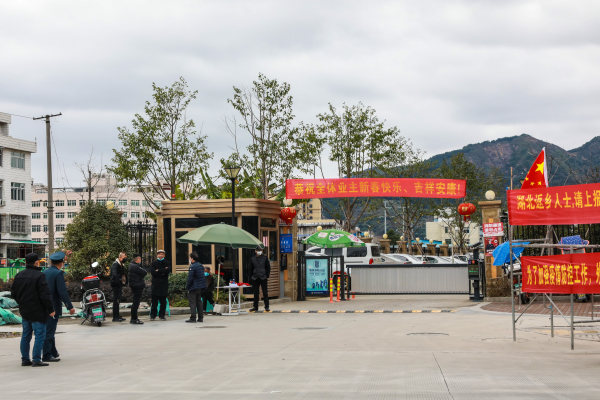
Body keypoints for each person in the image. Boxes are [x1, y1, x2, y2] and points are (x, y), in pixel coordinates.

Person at [11, 253, 55, 367]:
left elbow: (13, 293)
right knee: (39, 335)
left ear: (26, 262)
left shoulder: (19, 275)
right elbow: (45, 295)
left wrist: (22, 302)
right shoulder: (40, 276)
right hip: (38, 311)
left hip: (25, 310)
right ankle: (36, 359)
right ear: (36, 262)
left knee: (26, 335)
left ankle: (25, 359)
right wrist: (50, 309)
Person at [43, 251, 76, 362]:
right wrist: (70, 306)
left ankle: (53, 352)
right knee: (50, 331)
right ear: (61, 263)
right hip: (53, 307)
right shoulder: (58, 274)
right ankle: (46, 355)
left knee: (49, 329)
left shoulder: (45, 272)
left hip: (44, 305)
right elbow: (62, 292)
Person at [150, 250, 171, 320]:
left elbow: (167, 271)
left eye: (162, 254)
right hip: (155, 285)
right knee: (154, 302)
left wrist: (158, 270)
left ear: (164, 255)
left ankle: (162, 315)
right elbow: (153, 272)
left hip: (163, 284)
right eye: (159, 254)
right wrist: (163, 270)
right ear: (157, 255)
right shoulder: (154, 263)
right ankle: (153, 315)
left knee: (163, 302)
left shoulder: (167, 262)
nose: (161, 255)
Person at [248, 246, 271, 312]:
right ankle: (255, 307)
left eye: (260, 250)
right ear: (255, 251)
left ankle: (267, 306)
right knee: (255, 293)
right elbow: (250, 269)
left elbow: (268, 267)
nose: (259, 252)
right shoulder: (253, 259)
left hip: (263, 277)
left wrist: (267, 275)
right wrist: (251, 277)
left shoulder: (265, 258)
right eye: (258, 250)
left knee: (265, 292)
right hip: (255, 277)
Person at [186, 252, 206, 323]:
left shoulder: (192, 266)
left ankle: (193, 318)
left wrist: (187, 286)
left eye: (190, 258)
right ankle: (200, 318)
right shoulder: (201, 265)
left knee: (192, 303)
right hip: (200, 287)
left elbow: (190, 278)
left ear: (192, 258)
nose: (189, 259)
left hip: (193, 287)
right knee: (199, 302)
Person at [128, 254, 147, 325]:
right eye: (140, 259)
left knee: (135, 302)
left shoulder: (132, 265)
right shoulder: (135, 266)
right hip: (137, 286)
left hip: (135, 285)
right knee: (136, 303)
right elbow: (144, 272)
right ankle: (134, 319)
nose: (140, 260)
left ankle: (134, 318)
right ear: (137, 259)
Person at [110, 252, 127, 322]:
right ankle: (115, 317)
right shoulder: (115, 264)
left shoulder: (120, 264)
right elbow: (114, 275)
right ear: (120, 257)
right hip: (116, 285)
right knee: (116, 300)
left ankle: (117, 315)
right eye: (124, 257)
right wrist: (120, 280)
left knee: (118, 300)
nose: (125, 258)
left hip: (118, 284)